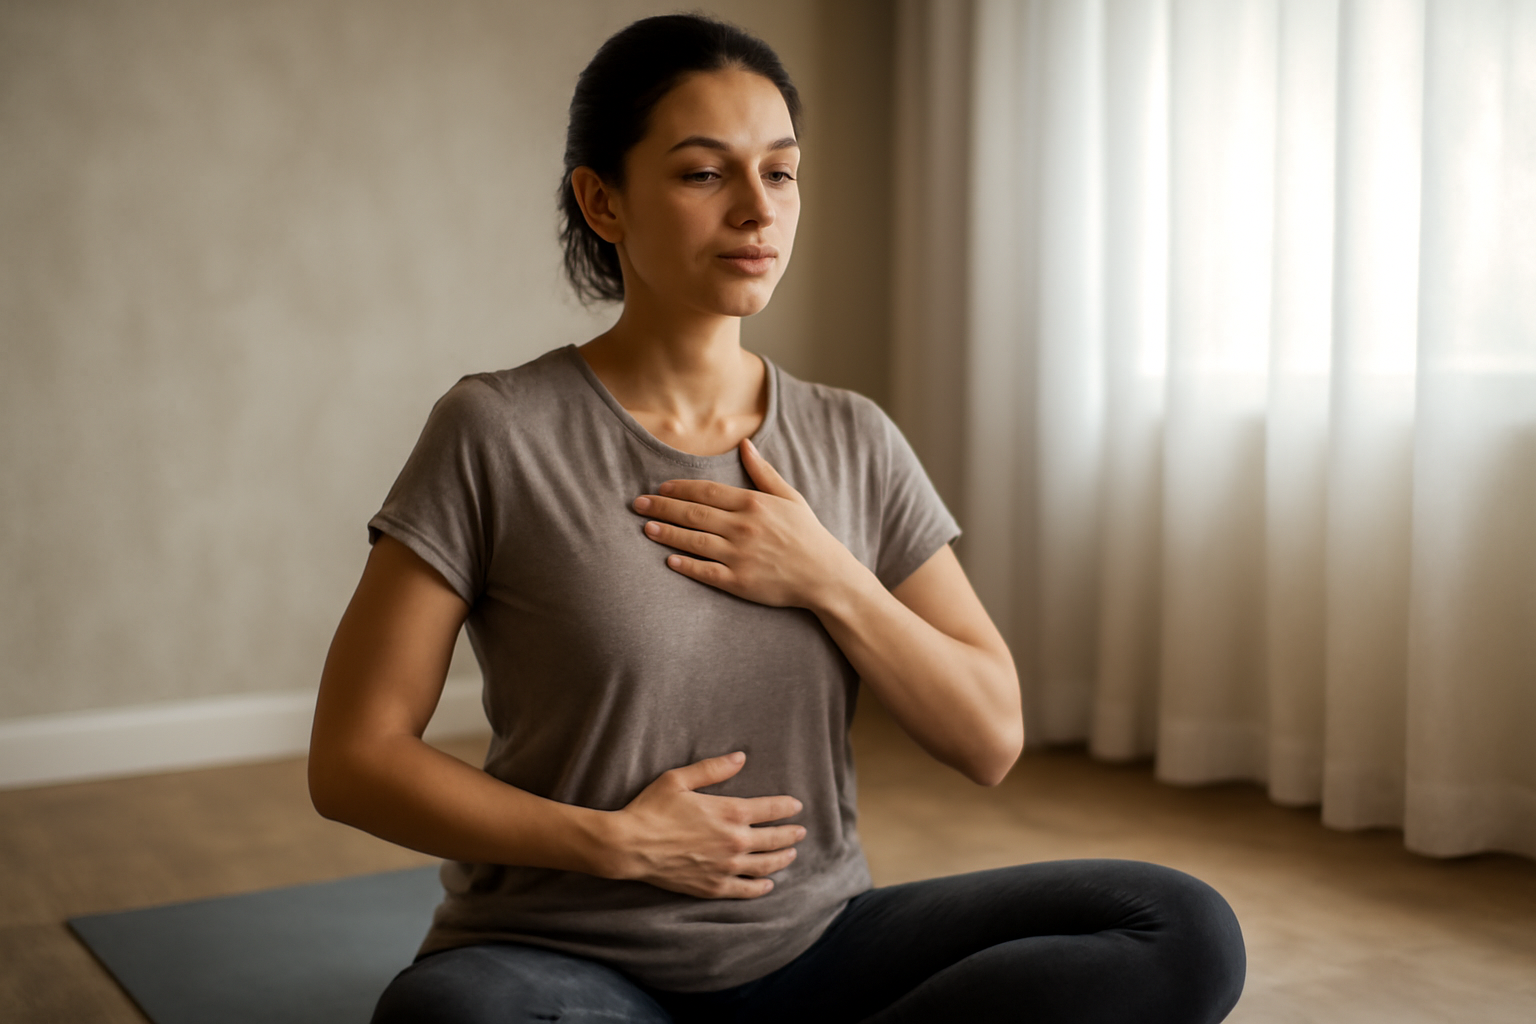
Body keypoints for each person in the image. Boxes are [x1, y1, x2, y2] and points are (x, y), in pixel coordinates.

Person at [309, 13, 1246, 1024]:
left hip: (819, 946)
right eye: (705, 174)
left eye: (782, 173)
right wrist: (618, 842)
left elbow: (989, 736)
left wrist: (830, 576)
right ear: (603, 199)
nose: (758, 210)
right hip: (565, 958)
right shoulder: (497, 430)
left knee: (1178, 926)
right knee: (455, 1019)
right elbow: (355, 757)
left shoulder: (854, 437)